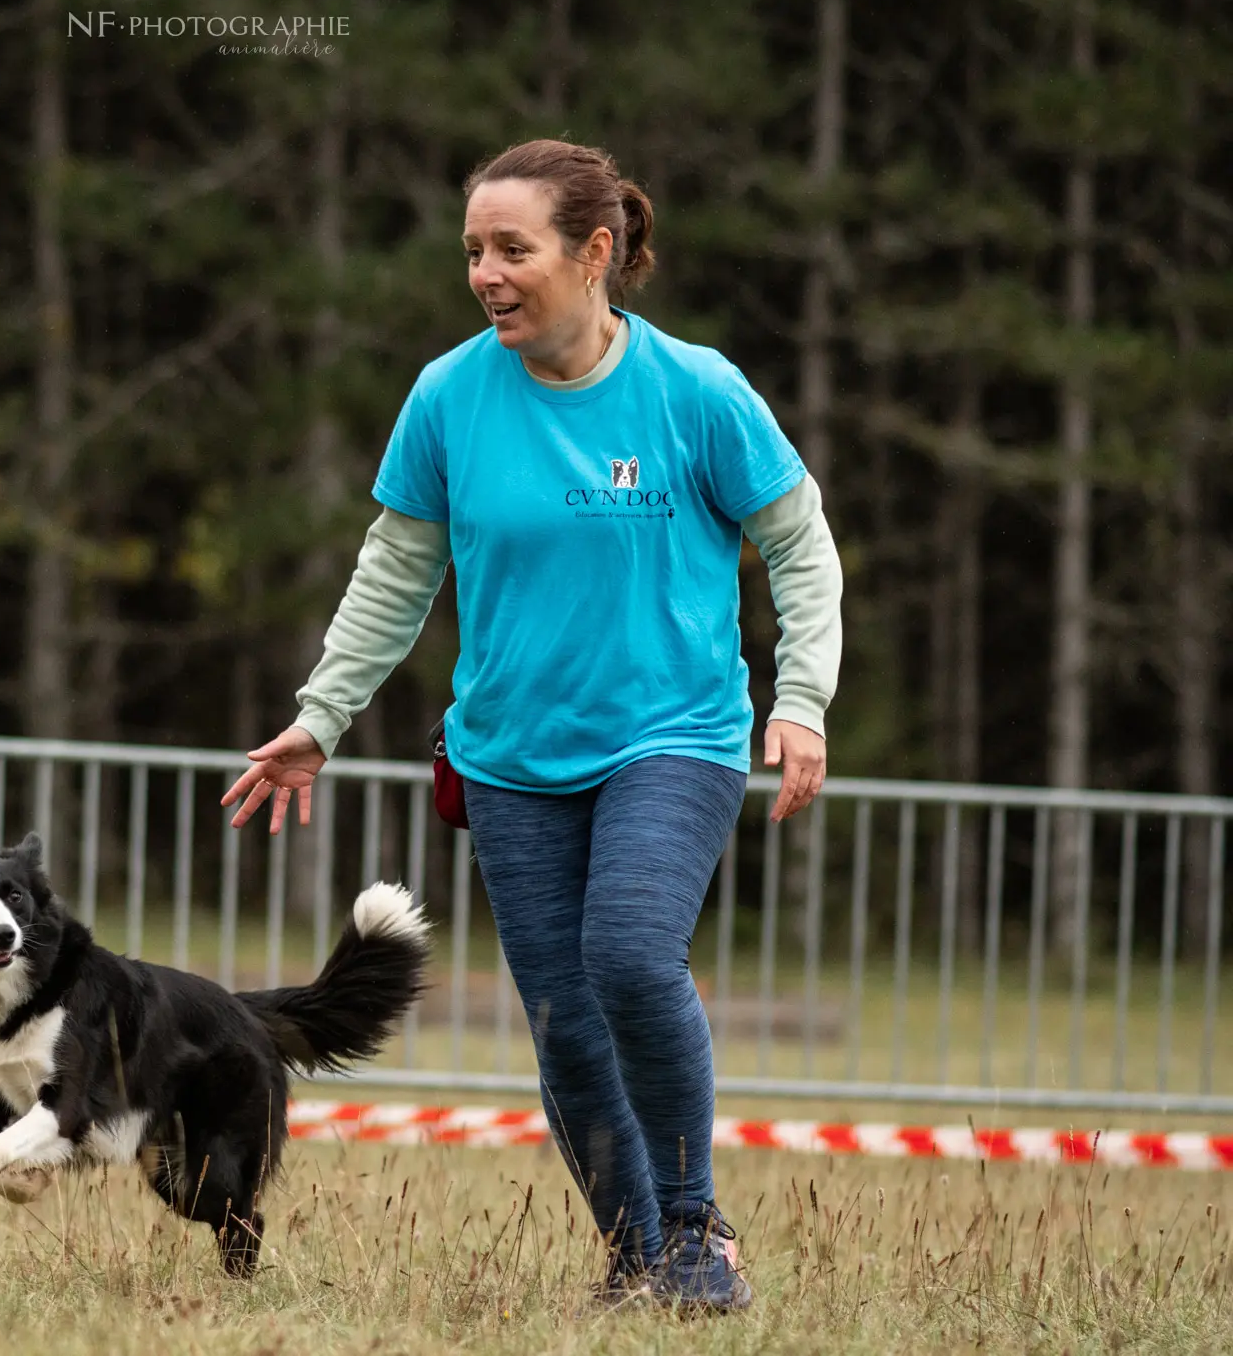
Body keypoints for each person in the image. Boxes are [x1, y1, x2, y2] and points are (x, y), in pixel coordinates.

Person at [219, 139, 842, 1313]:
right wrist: (320, 715)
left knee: (625, 955)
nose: (485, 274)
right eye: (472, 252)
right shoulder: (448, 396)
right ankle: (633, 1251)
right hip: (508, 757)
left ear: (594, 252)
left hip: (674, 735)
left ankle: (696, 1228)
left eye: (512, 249)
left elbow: (798, 547)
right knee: (560, 1021)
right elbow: (394, 569)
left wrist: (797, 699)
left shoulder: (695, 391)